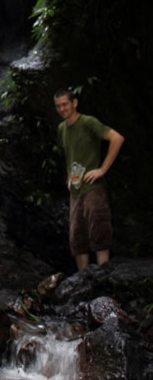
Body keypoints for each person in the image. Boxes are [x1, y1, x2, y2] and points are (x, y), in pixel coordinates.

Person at [54, 89, 125, 270]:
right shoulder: (62, 129)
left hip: (94, 188)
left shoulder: (87, 122)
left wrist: (102, 169)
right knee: (77, 238)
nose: (62, 109)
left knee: (99, 232)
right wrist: (69, 177)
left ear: (74, 103)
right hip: (76, 191)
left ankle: (104, 277)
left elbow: (117, 138)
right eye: (58, 106)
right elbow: (69, 155)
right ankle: (82, 282)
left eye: (65, 104)